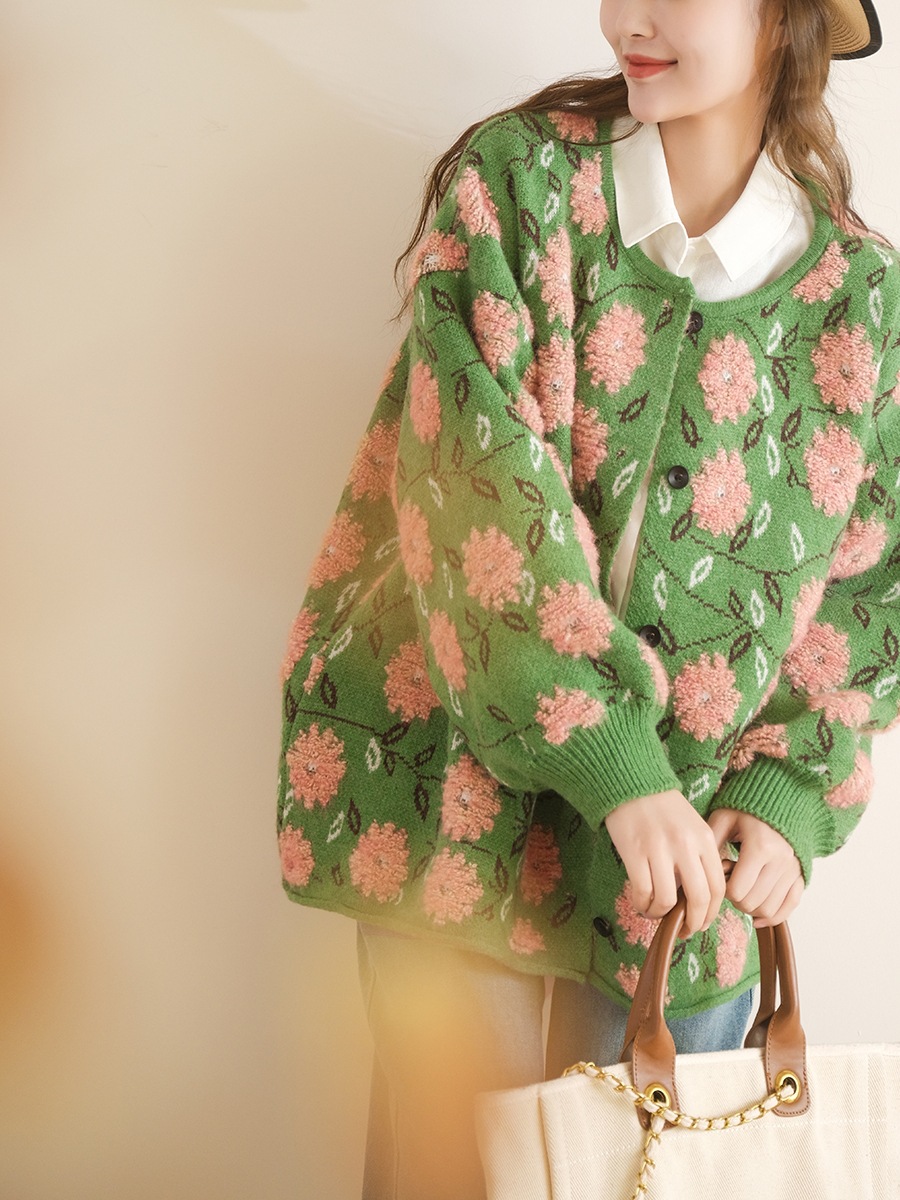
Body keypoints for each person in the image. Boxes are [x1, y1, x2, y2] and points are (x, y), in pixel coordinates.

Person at [277, 1, 898, 1196]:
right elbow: (473, 494)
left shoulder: (863, 304)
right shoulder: (516, 189)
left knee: (647, 1179)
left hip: (686, 886)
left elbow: (872, 595)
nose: (630, 17)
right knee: (453, 1179)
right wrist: (619, 768)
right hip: (458, 821)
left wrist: (787, 795)